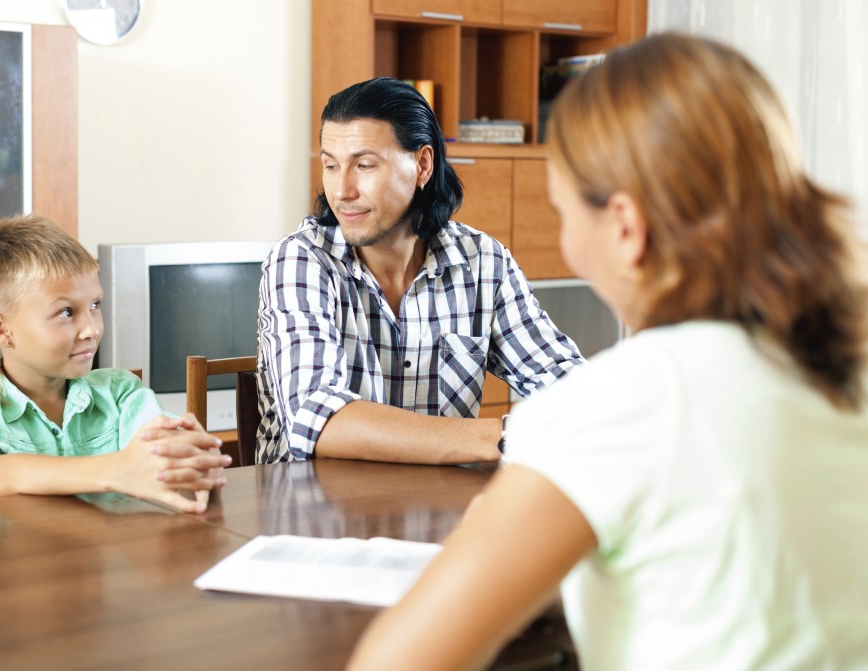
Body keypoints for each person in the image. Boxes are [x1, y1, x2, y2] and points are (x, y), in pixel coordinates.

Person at [348, 33, 868, 670]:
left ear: (624, 226)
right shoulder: (841, 360)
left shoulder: (625, 402)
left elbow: (397, 663)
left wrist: (513, 520)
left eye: (564, 212)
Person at [256, 77, 584, 464]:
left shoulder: (483, 262)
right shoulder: (300, 261)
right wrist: (508, 436)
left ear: (422, 164)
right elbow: (319, 422)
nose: (341, 190)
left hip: (442, 509)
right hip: (316, 512)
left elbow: (565, 381)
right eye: (330, 165)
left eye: (363, 165)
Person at [0, 214, 230, 513]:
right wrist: (117, 469)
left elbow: (163, 457)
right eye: (67, 312)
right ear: (1, 329)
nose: (92, 329)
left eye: (95, 305)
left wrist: (191, 456)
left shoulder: (119, 393)